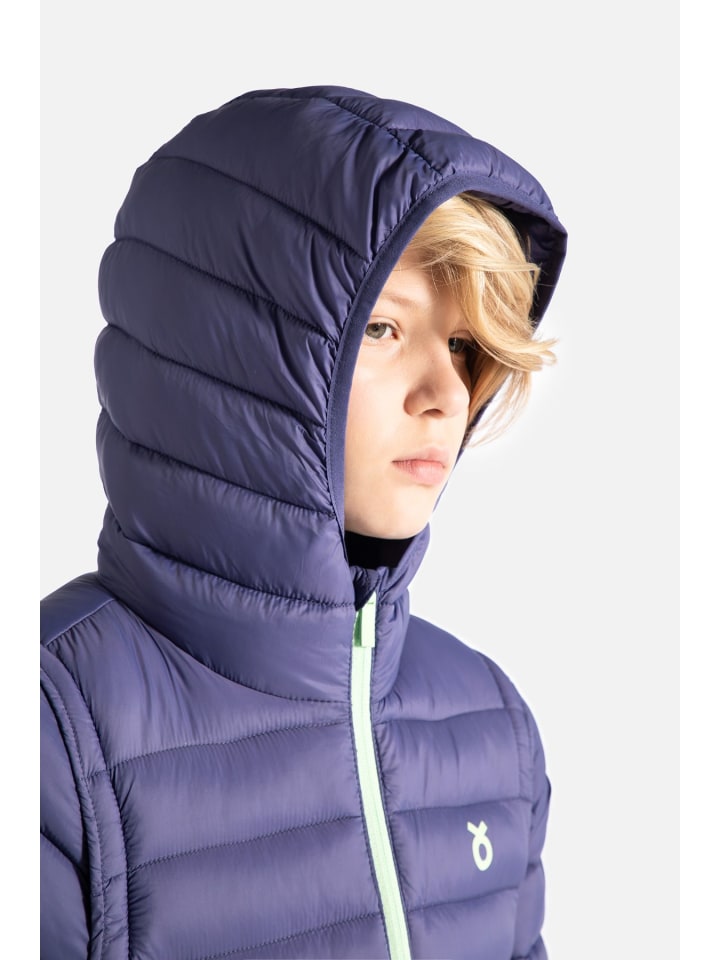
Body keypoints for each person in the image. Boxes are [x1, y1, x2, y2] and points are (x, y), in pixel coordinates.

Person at [40, 85, 567, 960]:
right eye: (384, 329)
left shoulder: (490, 729)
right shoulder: (54, 731)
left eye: (462, 345)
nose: (446, 395)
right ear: (229, 352)